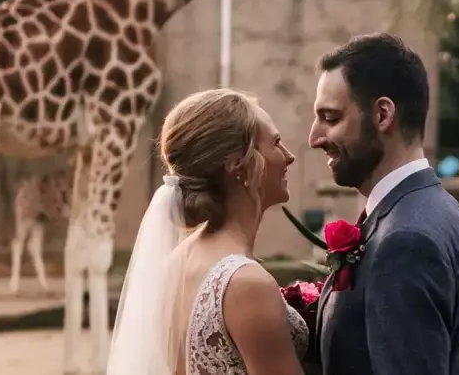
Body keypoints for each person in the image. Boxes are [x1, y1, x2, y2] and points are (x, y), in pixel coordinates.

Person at [309, 33, 459, 375]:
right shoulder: (442, 211)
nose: (314, 138)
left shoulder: (405, 240)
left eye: (330, 118)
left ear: (382, 115)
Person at [107, 88, 308, 375]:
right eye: (275, 143)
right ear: (237, 163)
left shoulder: (174, 264)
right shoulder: (246, 284)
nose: (288, 157)